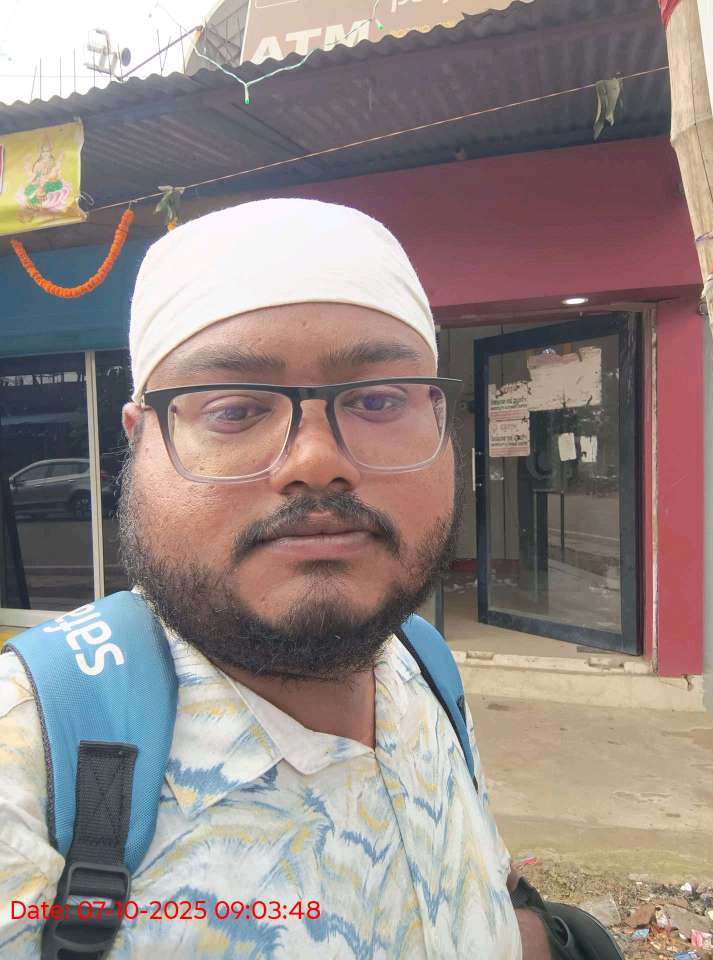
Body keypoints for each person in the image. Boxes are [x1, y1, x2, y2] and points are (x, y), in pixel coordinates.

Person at [0, 198, 551, 958]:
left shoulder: (425, 666)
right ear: (140, 444)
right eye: (234, 409)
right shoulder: (28, 766)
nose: (316, 461)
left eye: (378, 399)